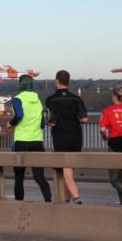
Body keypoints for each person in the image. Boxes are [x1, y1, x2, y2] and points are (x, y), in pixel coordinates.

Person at [44, 70, 89, 204]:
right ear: (68, 82)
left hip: (60, 137)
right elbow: (85, 119)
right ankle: (65, 199)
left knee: (66, 169)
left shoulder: (50, 100)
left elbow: (52, 122)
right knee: (68, 168)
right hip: (76, 137)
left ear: (57, 81)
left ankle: (76, 197)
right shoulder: (77, 99)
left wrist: (47, 122)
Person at [8, 75, 51, 202]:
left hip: (21, 141)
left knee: (19, 177)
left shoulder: (17, 99)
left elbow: (19, 115)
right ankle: (48, 202)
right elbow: (42, 123)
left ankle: (19, 204)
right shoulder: (37, 100)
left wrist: (10, 123)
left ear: (20, 85)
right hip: (37, 141)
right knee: (39, 176)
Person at [99, 85, 122, 205]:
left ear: (114, 97)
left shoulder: (109, 110)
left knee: (114, 178)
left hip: (115, 144)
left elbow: (103, 129)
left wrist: (105, 137)